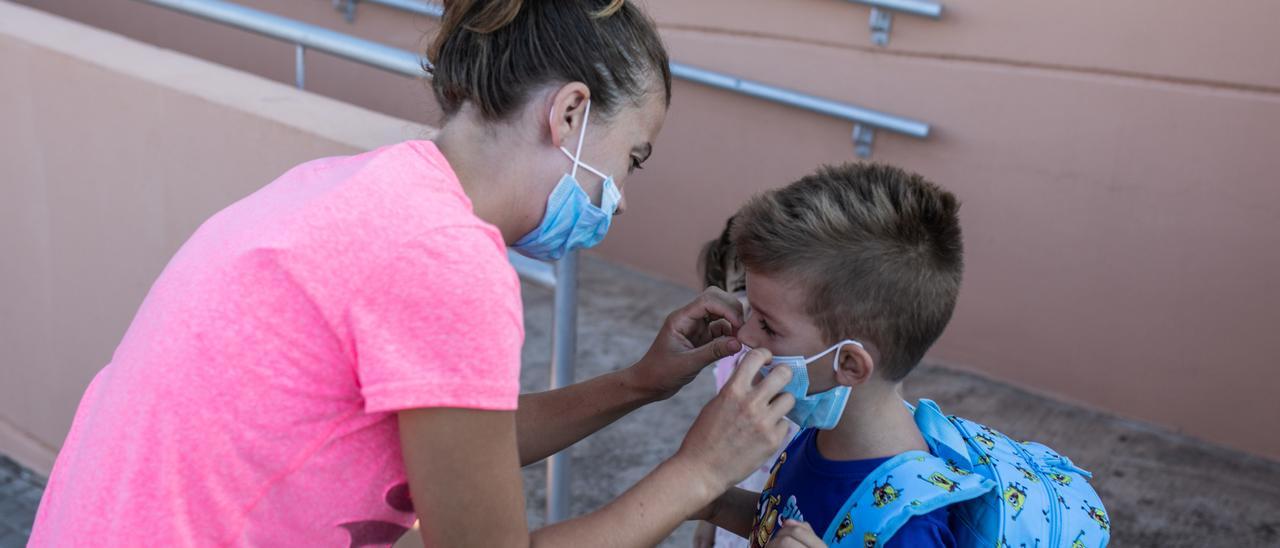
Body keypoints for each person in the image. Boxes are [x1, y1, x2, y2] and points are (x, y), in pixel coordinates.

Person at [29, 1, 797, 546]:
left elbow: (455, 447)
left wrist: (639, 383)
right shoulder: (443, 258)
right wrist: (699, 472)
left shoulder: (362, 188)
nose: (618, 201)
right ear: (568, 116)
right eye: (629, 159)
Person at [694, 163, 966, 547]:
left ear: (849, 365)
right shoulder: (826, 432)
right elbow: (784, 516)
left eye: (769, 326)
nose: (744, 333)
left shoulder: (908, 524)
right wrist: (710, 502)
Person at [693, 217, 799, 548]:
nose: (755, 307)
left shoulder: (809, 373)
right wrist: (710, 513)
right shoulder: (728, 359)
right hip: (736, 508)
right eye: (742, 289)